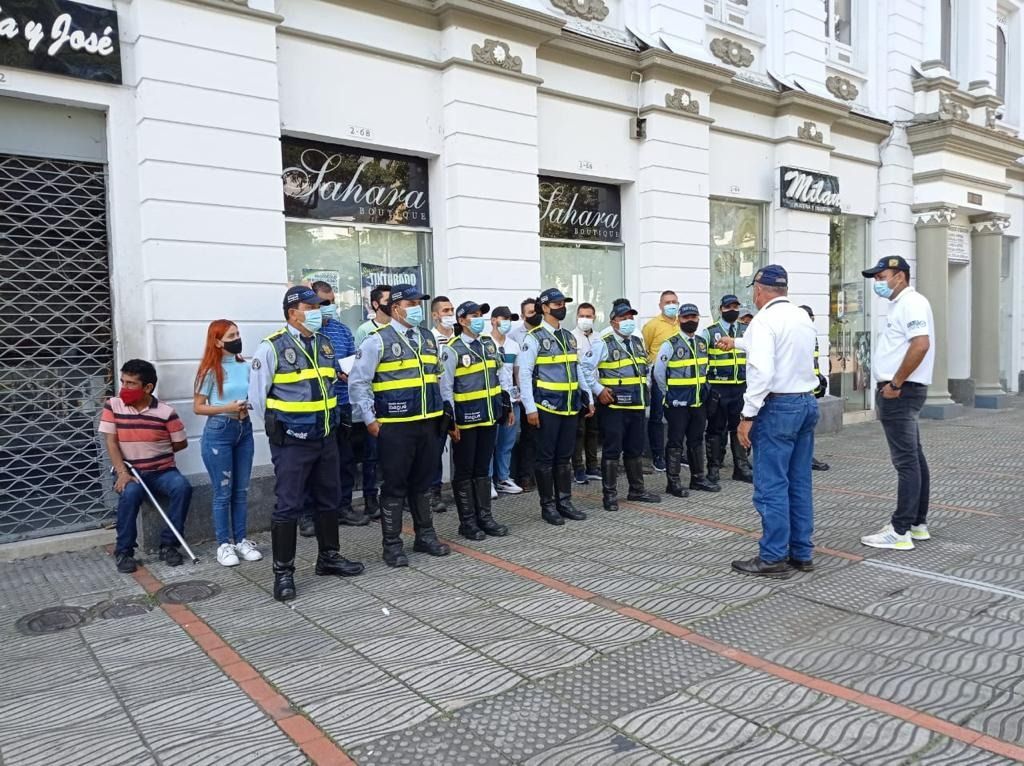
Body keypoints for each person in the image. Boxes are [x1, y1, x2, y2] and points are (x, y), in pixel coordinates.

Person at [249, 286, 364, 601]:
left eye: (320, 306)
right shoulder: (271, 348)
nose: (318, 311)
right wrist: (281, 431)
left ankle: (329, 557)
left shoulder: (325, 345)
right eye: (311, 307)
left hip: (326, 438)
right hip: (292, 443)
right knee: (288, 506)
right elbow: (258, 399)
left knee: (329, 500)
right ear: (292, 313)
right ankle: (283, 572)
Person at [717, 265, 819, 577]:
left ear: (759, 290)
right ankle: (801, 552)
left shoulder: (763, 321)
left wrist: (747, 416)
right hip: (806, 402)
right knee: (799, 482)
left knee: (772, 484)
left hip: (778, 408)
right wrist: (736, 343)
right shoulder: (801, 316)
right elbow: (780, 348)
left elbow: (761, 372)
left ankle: (773, 556)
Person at [349, 284, 451, 566]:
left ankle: (425, 536)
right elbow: (358, 382)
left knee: (423, 483)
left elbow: (439, 377)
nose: (417, 307)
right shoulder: (376, 340)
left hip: (428, 424)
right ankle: (392, 545)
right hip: (394, 427)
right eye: (411, 302)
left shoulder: (428, 338)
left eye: (420, 302)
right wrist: (370, 419)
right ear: (395, 308)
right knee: (394, 486)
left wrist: (445, 410)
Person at [859, 256, 935, 551]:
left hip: (901, 393)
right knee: (914, 457)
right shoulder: (901, 304)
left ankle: (900, 530)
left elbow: (920, 345)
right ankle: (917, 523)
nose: (878, 282)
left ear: (900, 276)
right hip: (904, 390)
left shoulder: (911, 303)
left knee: (906, 462)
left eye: (882, 276)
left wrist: (894, 384)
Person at [101, 359, 192, 573]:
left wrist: (154, 450)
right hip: (130, 472)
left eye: (131, 383)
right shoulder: (113, 405)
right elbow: (111, 442)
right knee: (130, 493)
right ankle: (124, 551)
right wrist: (122, 472)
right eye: (123, 382)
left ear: (148, 387)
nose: (124, 388)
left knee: (182, 487)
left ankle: (169, 545)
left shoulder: (166, 412)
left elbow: (181, 442)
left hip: (162, 471)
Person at [519, 288, 593, 525]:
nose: (562, 307)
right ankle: (548, 505)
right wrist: (530, 408)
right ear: (544, 307)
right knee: (546, 458)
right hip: (547, 406)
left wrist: (588, 396)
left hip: (570, 406)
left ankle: (565, 501)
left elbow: (577, 368)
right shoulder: (534, 338)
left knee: (564, 457)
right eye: (557, 303)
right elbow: (525, 374)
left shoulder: (569, 337)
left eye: (563, 303)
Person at [440, 301, 512, 540]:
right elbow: (446, 388)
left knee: (483, 469)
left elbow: (500, 377)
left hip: (489, 417)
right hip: (466, 421)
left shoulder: (488, 345)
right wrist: (451, 422)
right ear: (462, 321)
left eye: (481, 315)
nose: (479, 318)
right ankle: (468, 522)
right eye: (473, 315)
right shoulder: (452, 349)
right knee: (465, 470)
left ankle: (485, 517)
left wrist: (507, 405)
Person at [193, 321, 260, 567]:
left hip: (244, 427)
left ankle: (241, 539)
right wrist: (227, 407)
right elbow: (198, 407)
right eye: (232, 335)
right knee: (223, 492)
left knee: (241, 490)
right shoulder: (210, 370)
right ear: (218, 341)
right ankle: (224, 543)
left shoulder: (245, 365)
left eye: (238, 333)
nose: (237, 338)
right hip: (220, 430)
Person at [582, 300, 660, 511]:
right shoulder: (603, 342)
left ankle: (637, 489)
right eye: (623, 318)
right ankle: (609, 495)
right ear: (613, 321)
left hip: (636, 404)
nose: (628, 321)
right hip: (614, 407)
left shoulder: (636, 341)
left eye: (630, 318)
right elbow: (584, 368)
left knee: (634, 449)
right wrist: (598, 390)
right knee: (612, 450)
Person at [311, 281, 368, 528]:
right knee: (312, 463)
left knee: (344, 460)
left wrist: (349, 372)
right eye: (324, 303)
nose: (329, 308)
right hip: (314, 408)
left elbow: (354, 359)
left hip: (342, 403)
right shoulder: (303, 335)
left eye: (332, 302)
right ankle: (307, 515)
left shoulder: (343, 331)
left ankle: (344, 507)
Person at [654, 304, 718, 497]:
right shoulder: (670, 344)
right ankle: (673, 483)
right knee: (675, 442)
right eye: (686, 318)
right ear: (679, 320)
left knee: (696, 439)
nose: (691, 321)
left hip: (698, 401)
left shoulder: (701, 342)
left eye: (694, 317)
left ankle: (698, 478)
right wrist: (669, 393)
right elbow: (658, 372)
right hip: (677, 404)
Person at [703, 295, 753, 484]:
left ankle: (741, 466)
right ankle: (714, 468)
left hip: (740, 387)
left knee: (738, 427)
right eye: (728, 307)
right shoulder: (710, 332)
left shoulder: (746, 330)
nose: (732, 309)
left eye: (735, 306)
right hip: (718, 388)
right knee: (715, 429)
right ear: (721, 309)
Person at [353, 284, 390, 518]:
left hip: (395, 402)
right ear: (376, 304)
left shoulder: (398, 330)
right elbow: (360, 369)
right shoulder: (365, 330)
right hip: (374, 402)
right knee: (372, 455)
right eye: (387, 300)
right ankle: (370, 498)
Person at [642, 290, 682, 472]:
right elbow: (646, 350)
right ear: (660, 305)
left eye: (674, 301)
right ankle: (657, 455)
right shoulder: (652, 325)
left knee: (678, 416)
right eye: (667, 302)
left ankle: (677, 453)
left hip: (681, 379)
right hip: (660, 377)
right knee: (657, 416)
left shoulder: (682, 323)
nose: (671, 305)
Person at [490, 306, 523, 495]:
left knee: (507, 441)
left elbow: (516, 374)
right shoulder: (486, 343)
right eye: (504, 318)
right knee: (490, 442)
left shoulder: (513, 345)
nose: (507, 322)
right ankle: (487, 480)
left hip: (511, 400)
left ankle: (503, 478)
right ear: (494, 320)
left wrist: (519, 397)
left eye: (510, 319)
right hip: (493, 399)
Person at [427, 296, 455, 514]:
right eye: (445, 310)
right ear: (435, 315)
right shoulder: (429, 339)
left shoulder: (459, 338)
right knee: (435, 449)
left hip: (464, 398)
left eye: (452, 310)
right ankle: (433, 492)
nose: (449, 314)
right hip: (439, 400)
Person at [510, 297, 540, 491]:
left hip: (545, 389)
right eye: (530, 312)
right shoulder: (514, 336)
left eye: (536, 311)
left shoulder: (545, 333)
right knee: (527, 437)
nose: (534, 315)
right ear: (522, 315)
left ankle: (540, 474)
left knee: (542, 436)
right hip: (524, 391)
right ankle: (525, 476)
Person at [571, 303, 601, 485]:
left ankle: (593, 466)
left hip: (597, 387)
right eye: (582, 315)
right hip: (579, 390)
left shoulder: (598, 338)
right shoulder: (571, 337)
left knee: (594, 431)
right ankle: (578, 468)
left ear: (594, 317)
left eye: (588, 316)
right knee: (579, 431)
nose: (585, 319)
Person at [800, 305, 831, 472]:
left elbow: (814, 363)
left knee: (808, 428)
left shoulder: (812, 335)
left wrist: (819, 380)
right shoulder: (798, 335)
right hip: (800, 391)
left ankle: (807, 457)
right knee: (802, 429)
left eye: (811, 316)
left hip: (811, 388)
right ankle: (805, 458)